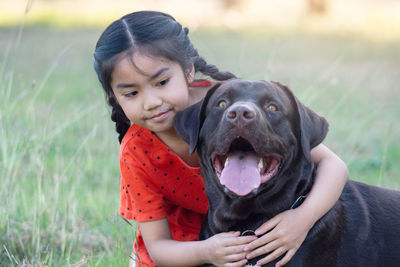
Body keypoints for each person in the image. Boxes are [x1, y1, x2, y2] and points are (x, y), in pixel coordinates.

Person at [93, 11, 348, 267]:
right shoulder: (137, 152)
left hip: (247, 223)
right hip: (183, 245)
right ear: (115, 97)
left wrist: (303, 219)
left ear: (188, 70)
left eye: (161, 82)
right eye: (132, 93)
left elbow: (333, 164)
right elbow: (158, 246)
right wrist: (206, 252)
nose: (151, 102)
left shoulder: (228, 105)